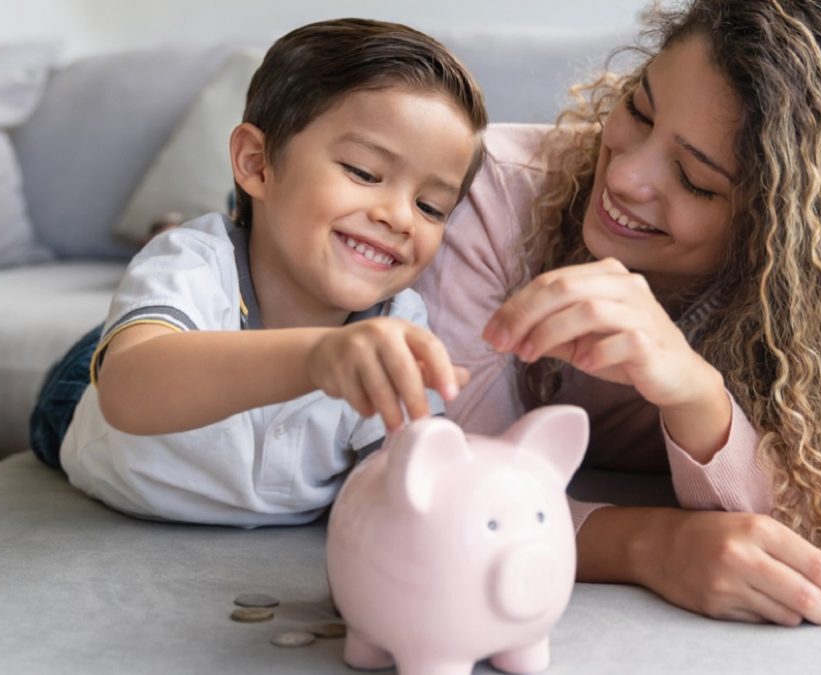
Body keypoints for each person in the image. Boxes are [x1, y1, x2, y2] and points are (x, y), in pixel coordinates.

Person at [413, 0, 821, 626]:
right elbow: (453, 492)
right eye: (639, 110)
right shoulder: (488, 198)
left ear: (780, 229)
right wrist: (652, 545)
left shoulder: (817, 302)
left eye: (695, 180)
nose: (627, 175)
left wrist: (696, 393)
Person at [33, 18, 488, 527]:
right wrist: (316, 359)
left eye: (431, 207)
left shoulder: (399, 325)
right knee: (139, 314)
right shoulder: (195, 263)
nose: (399, 217)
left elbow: (405, 487)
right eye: (363, 173)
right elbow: (126, 389)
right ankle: (165, 264)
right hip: (90, 400)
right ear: (255, 161)